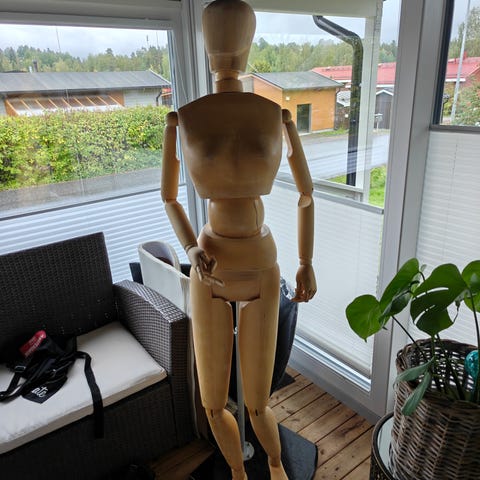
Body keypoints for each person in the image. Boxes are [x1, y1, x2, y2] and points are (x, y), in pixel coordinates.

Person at [161, 1, 316, 478]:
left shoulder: (276, 114)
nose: (225, 47)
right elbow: (169, 197)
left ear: (246, 43)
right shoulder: (182, 117)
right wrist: (191, 249)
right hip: (210, 262)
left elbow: (306, 194)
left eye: (232, 35)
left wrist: (306, 261)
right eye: (218, 34)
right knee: (213, 404)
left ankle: (275, 464)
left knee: (257, 402)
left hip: (260, 264)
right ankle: (238, 472)